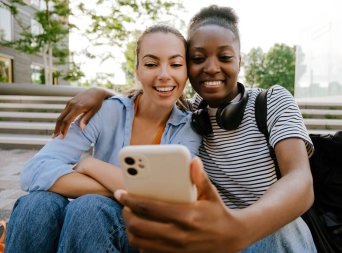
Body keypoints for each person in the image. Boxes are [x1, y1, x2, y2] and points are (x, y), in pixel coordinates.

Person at [52, 5, 317, 252]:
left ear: (240, 60)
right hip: (216, 237)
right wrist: (103, 94)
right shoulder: (190, 113)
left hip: (271, 234)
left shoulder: (273, 100)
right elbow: (150, 95)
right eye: (199, 58)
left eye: (224, 57)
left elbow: (300, 181)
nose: (212, 68)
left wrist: (239, 228)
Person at [4, 25, 201, 253]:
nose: (164, 74)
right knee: (36, 204)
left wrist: (90, 165)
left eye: (176, 64)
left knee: (90, 206)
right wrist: (132, 190)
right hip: (93, 229)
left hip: (145, 236)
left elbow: (170, 197)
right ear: (137, 70)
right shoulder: (108, 111)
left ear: (187, 72)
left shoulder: (189, 127)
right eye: (151, 64)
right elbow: (34, 171)